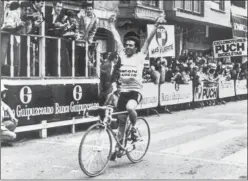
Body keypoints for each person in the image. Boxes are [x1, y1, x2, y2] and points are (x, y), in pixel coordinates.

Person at [108, 14, 166, 160]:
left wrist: (157, 26)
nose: (127, 47)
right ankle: (119, 147)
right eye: (126, 45)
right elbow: (116, 38)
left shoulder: (141, 56)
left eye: (130, 45)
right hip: (124, 91)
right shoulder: (121, 55)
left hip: (135, 92)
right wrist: (111, 25)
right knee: (121, 122)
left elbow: (149, 39)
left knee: (129, 108)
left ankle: (133, 129)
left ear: (135, 48)